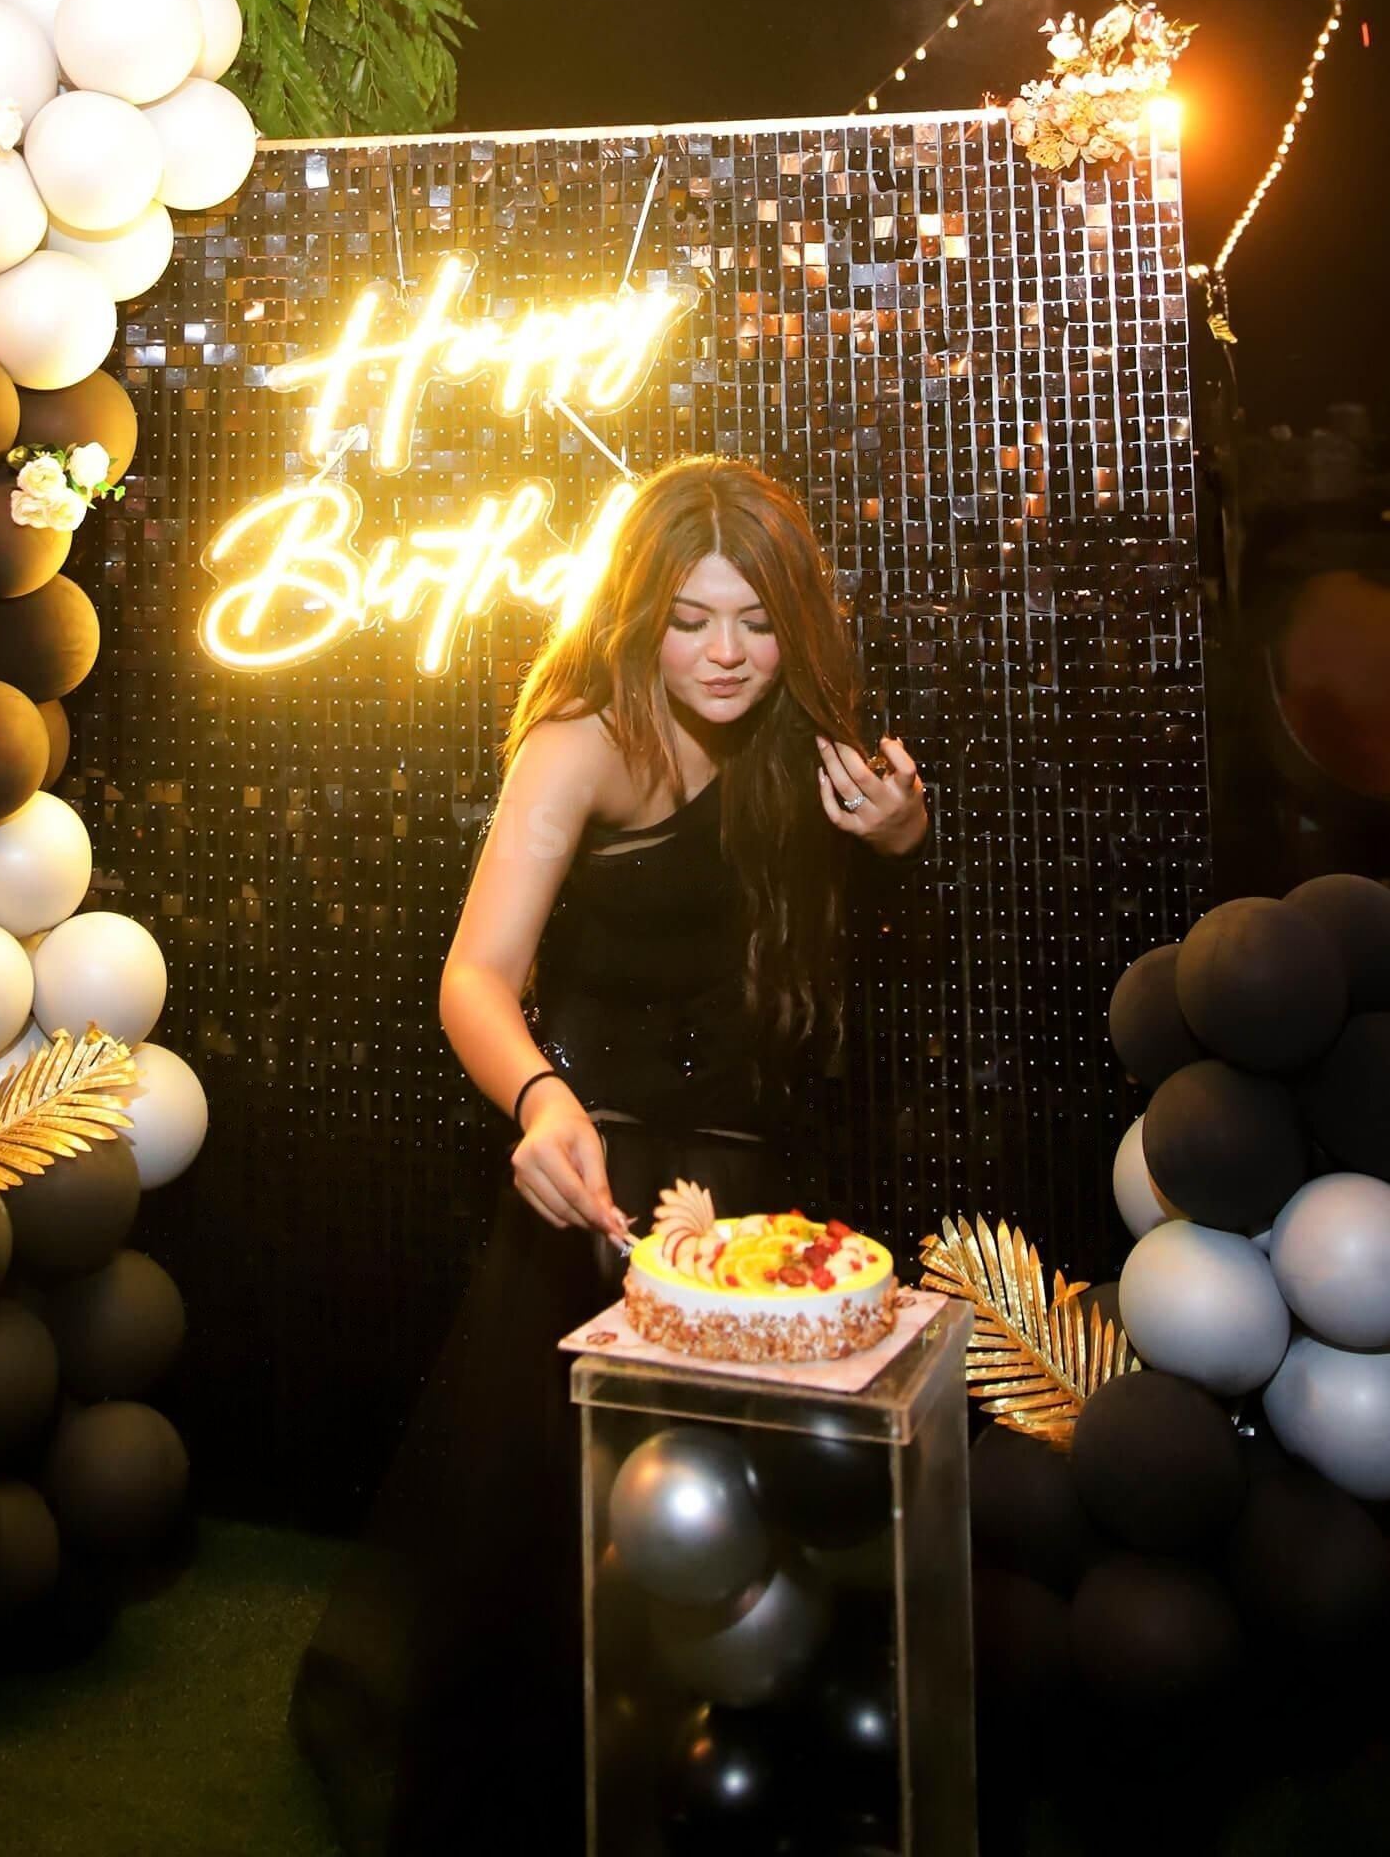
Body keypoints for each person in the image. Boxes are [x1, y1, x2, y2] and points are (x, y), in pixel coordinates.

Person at [291, 456, 931, 1855]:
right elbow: (474, 973)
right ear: (639, 611)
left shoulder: (807, 728)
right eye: (692, 618)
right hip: (611, 1181)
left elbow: (868, 893)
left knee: (784, 1537)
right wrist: (538, 1102)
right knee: (581, 1555)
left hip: (770, 1190)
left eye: (754, 622)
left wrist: (903, 831)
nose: (724, 653)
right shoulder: (582, 733)